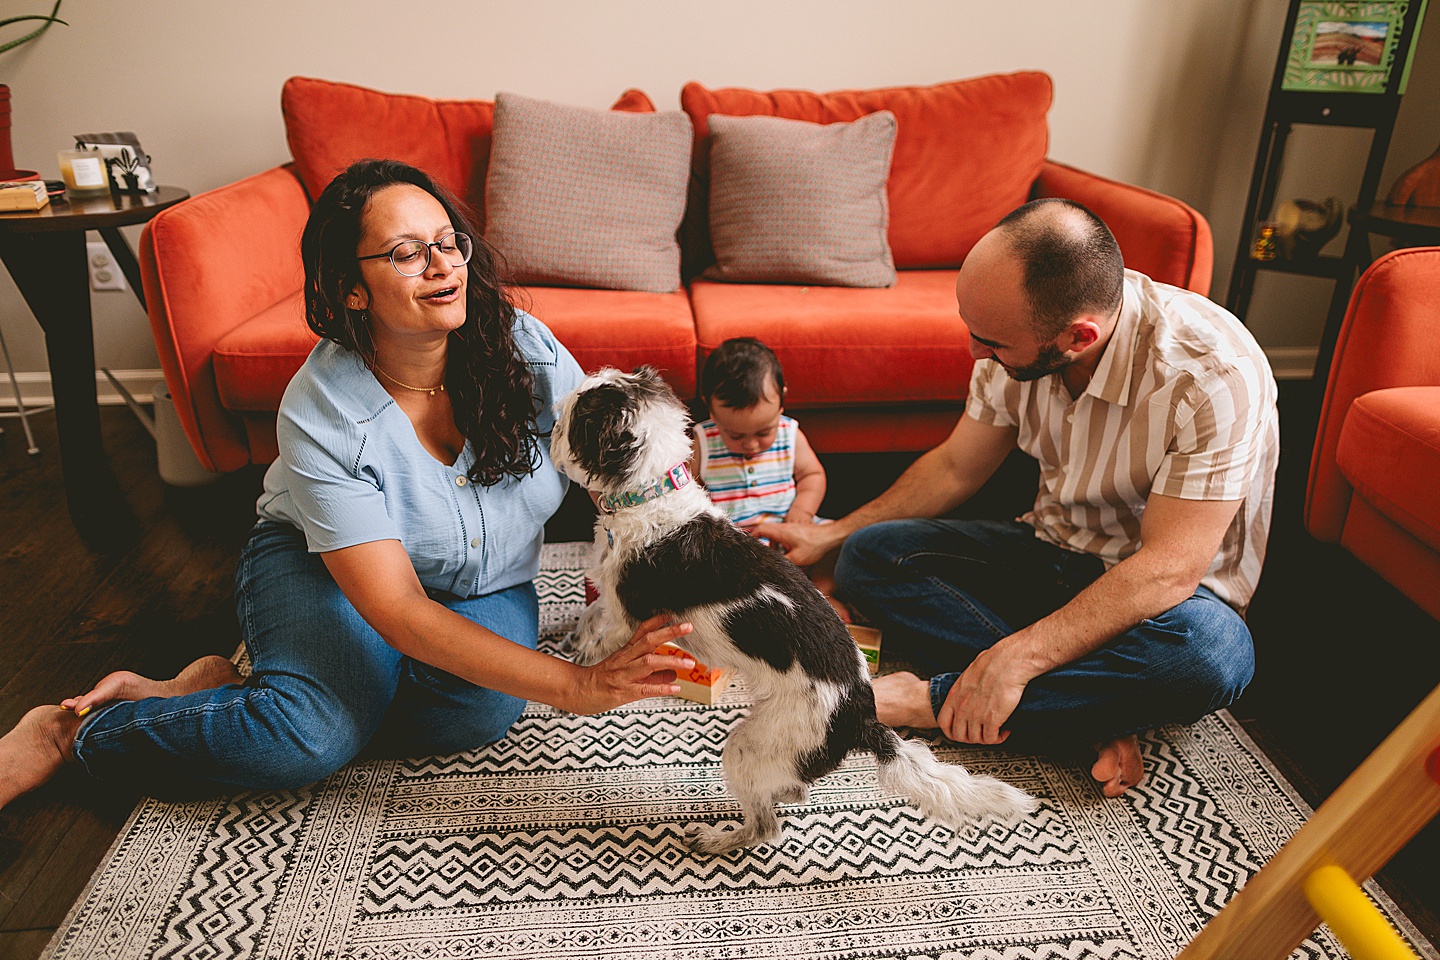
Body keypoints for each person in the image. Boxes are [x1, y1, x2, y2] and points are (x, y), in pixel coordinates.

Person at [0, 159, 693, 811]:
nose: (441, 263)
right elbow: (395, 609)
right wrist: (578, 685)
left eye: (448, 242)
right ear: (351, 288)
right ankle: (74, 735)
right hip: (323, 568)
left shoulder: (526, 349)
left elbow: (620, 473)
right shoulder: (322, 410)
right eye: (405, 252)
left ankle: (250, 694)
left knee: (476, 711)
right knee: (310, 738)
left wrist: (699, 574)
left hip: (482, 580)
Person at [753, 198, 1279, 798]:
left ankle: (940, 698)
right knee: (871, 556)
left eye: (993, 343)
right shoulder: (1013, 340)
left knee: (1213, 659)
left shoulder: (1212, 374)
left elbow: (1168, 570)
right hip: (1052, 552)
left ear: (1077, 337)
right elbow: (954, 469)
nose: (977, 354)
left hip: (1164, 602)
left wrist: (1019, 659)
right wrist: (829, 532)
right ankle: (1088, 713)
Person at [687, 337, 844, 611]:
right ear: (709, 406)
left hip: (791, 532)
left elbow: (812, 476)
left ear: (782, 399)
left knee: (837, 542)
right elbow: (689, 491)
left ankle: (823, 594)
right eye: (734, 435)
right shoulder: (703, 440)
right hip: (737, 545)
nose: (750, 444)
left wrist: (803, 512)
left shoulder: (789, 433)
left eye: (763, 432)